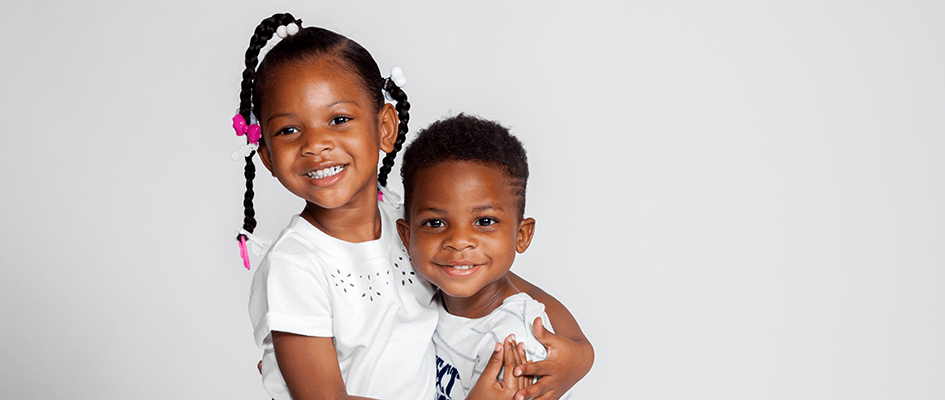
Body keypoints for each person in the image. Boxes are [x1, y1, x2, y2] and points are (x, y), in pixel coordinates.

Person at [229, 12, 593, 400]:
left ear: (385, 127)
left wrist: (580, 355)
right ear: (266, 155)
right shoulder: (295, 265)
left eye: (338, 119)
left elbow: (502, 281)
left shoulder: (410, 222)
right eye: (289, 130)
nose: (315, 145)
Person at [396, 114, 572, 400]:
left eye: (485, 221)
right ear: (406, 236)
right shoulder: (423, 298)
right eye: (435, 223)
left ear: (521, 235)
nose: (459, 242)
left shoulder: (516, 344)